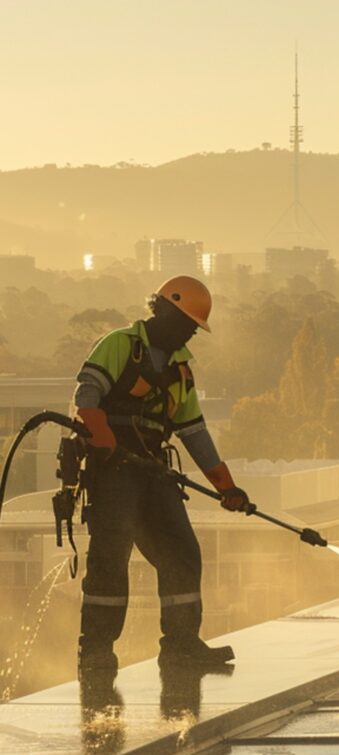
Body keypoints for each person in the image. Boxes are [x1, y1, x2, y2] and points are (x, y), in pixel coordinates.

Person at [74, 275, 248, 676]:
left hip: (153, 471)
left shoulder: (181, 371)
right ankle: (96, 652)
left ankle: (181, 647)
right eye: (187, 322)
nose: (192, 332)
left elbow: (194, 432)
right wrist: (103, 439)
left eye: (195, 327)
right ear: (165, 309)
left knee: (182, 554)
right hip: (113, 470)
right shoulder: (121, 344)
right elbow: (87, 395)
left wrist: (227, 487)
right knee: (110, 561)